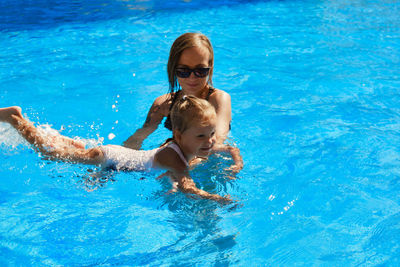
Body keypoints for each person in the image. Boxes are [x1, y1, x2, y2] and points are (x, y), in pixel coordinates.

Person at [0, 96, 243, 202]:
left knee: (74, 152)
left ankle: (69, 142)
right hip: (109, 158)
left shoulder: (189, 146)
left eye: (211, 134)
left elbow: (226, 147)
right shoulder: (174, 158)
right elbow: (188, 188)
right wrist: (217, 198)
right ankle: (15, 119)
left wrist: (236, 160)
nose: (209, 141)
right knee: (51, 155)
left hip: (118, 161)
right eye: (202, 136)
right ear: (178, 135)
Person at [123, 32, 232, 150]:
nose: (192, 77)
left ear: (210, 67)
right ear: (173, 68)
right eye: (183, 71)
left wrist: (174, 161)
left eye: (200, 70)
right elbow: (136, 139)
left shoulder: (218, 99)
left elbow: (216, 143)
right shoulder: (163, 105)